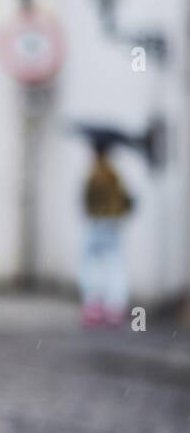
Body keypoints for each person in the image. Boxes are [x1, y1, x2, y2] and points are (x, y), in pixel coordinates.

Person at [80, 139, 133, 328]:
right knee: (114, 264)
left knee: (92, 265)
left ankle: (93, 306)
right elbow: (126, 199)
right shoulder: (114, 175)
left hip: (96, 223)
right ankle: (115, 307)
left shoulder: (92, 175)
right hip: (112, 224)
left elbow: (85, 200)